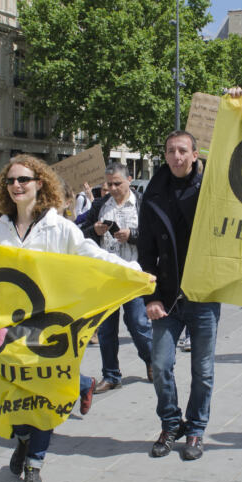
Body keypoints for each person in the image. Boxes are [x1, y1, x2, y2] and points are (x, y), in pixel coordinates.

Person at [0, 154, 142, 482]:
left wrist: (133, 271)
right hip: (11, 331)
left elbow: (90, 255)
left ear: (40, 184)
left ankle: (34, 466)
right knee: (14, 397)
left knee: (45, 401)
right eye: (11, 181)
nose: (17, 186)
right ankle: (23, 438)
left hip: (51, 331)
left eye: (25, 179)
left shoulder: (60, 226)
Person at [138, 126, 221, 461]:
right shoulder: (153, 193)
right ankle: (172, 423)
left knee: (203, 370)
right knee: (160, 364)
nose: (176, 157)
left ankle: (197, 430)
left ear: (195, 154)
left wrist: (238, 103)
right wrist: (151, 297)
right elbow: (144, 252)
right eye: (171, 150)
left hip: (203, 294)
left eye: (182, 151)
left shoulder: (212, 188)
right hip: (167, 295)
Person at [84, 163, 154, 393]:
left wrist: (132, 236)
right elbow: (81, 234)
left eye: (117, 183)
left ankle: (151, 360)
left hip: (133, 274)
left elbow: (155, 236)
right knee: (105, 328)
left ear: (129, 180)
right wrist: (95, 230)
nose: (113, 188)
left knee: (137, 323)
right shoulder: (100, 205)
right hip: (106, 276)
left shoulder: (144, 203)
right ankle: (111, 375)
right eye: (109, 184)